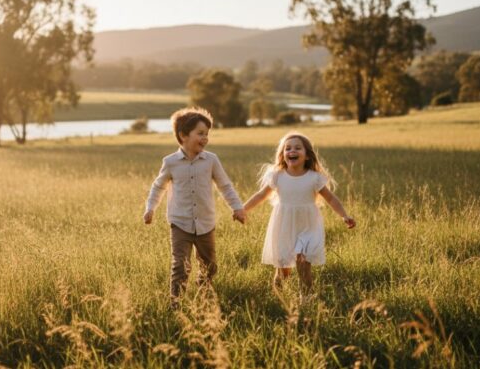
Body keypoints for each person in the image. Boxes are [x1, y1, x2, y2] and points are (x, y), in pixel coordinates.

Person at [144, 107, 246, 306]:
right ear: (183, 135)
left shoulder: (211, 160)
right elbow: (158, 187)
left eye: (207, 134)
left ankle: (204, 293)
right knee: (180, 266)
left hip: (205, 223)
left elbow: (225, 186)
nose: (205, 138)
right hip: (180, 223)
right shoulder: (171, 162)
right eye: (200, 133)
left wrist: (237, 208)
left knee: (210, 266)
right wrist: (150, 208)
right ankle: (176, 304)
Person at [242, 131, 355, 297]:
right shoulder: (277, 176)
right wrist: (242, 209)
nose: (292, 151)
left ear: (307, 155)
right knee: (283, 270)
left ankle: (306, 299)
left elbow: (331, 199)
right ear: (282, 155)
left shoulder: (314, 178)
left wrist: (344, 215)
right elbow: (260, 195)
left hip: (308, 226)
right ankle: (279, 299)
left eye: (297, 148)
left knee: (303, 264)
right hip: (284, 225)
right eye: (287, 148)